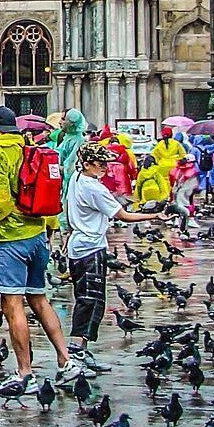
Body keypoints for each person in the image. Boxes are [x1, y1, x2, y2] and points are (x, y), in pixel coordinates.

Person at [0, 106, 86, 394]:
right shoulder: (30, 147)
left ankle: (25, 373)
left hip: (12, 237)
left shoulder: (0, 152)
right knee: (39, 299)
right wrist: (48, 226)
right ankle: (66, 361)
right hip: (39, 234)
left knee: (13, 305)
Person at [65, 143, 163, 373]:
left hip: (77, 246)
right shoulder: (93, 188)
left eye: (106, 164)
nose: (105, 168)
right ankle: (76, 352)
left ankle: (81, 349)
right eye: (100, 164)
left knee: (85, 298)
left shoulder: (76, 178)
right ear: (87, 164)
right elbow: (123, 215)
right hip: (91, 247)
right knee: (92, 301)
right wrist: (155, 214)